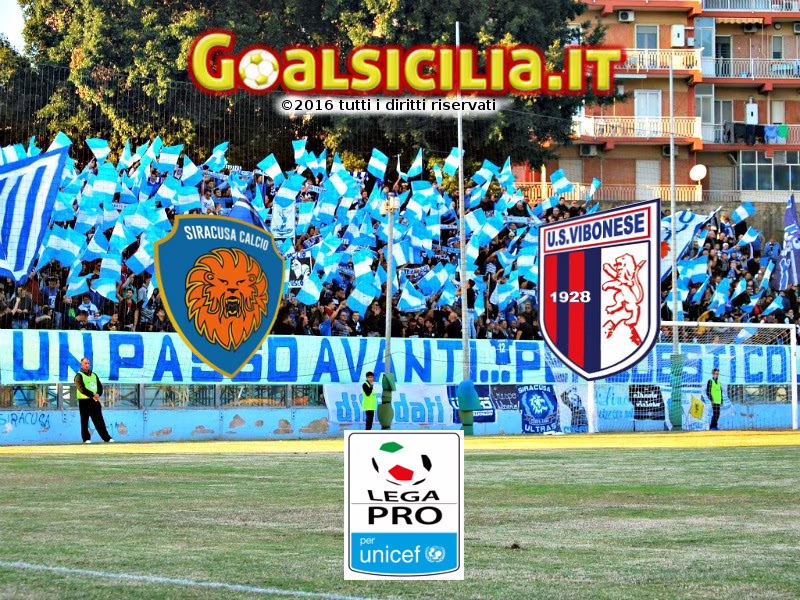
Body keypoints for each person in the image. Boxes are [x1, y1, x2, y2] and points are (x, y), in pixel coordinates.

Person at [74, 357, 114, 443]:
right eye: (85, 363)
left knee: (99, 420)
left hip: (94, 401)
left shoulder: (94, 375)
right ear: (81, 364)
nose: (87, 365)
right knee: (84, 421)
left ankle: (107, 438)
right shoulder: (78, 376)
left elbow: (100, 386)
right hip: (84, 401)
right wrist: (92, 395)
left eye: (88, 363)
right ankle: (86, 439)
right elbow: (81, 389)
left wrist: (98, 394)